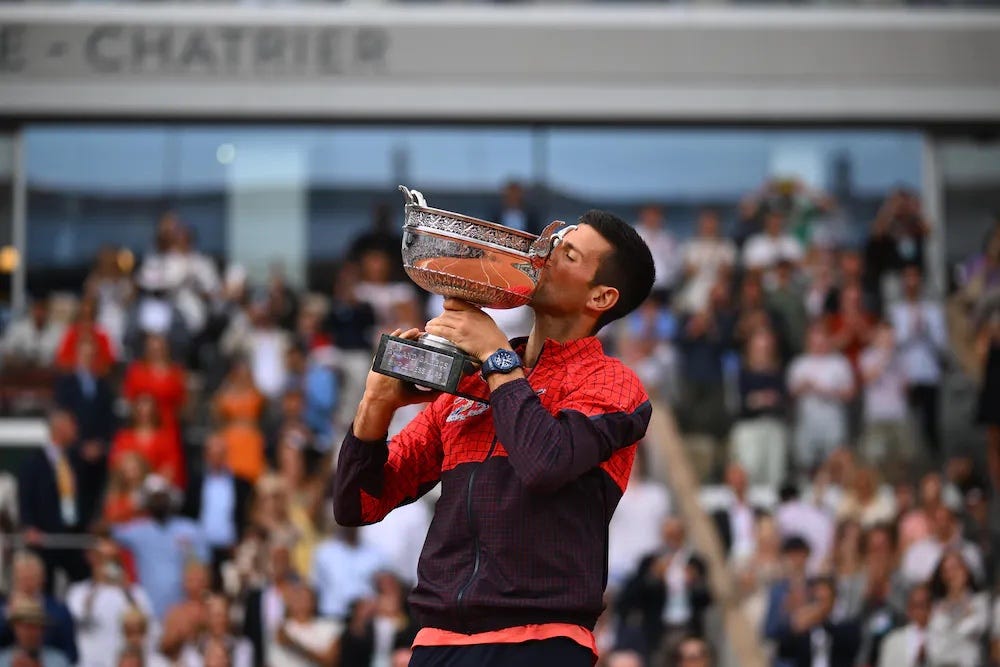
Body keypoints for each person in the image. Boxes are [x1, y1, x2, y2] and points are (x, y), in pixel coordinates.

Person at [334, 210, 655, 666]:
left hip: (541, 643)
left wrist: (496, 355)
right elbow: (358, 505)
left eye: (568, 254)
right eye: (552, 240)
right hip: (437, 644)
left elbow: (544, 463)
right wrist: (374, 407)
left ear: (601, 296)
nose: (543, 254)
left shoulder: (614, 384)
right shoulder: (473, 381)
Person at [65, 538, 155, 667]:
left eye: (113, 559)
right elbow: (80, 621)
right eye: (103, 559)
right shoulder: (78, 591)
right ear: (93, 559)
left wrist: (125, 590)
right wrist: (96, 586)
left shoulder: (136, 592)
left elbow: (144, 626)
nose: (108, 565)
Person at [0, 598, 70, 667]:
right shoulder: (3, 660)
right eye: (27, 626)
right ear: (15, 628)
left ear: (43, 630)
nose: (32, 633)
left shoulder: (58, 660)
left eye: (36, 626)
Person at [876, 584, 932, 667]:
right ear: (908, 609)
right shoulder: (893, 640)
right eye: (915, 606)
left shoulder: (941, 637)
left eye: (923, 605)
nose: (920, 611)